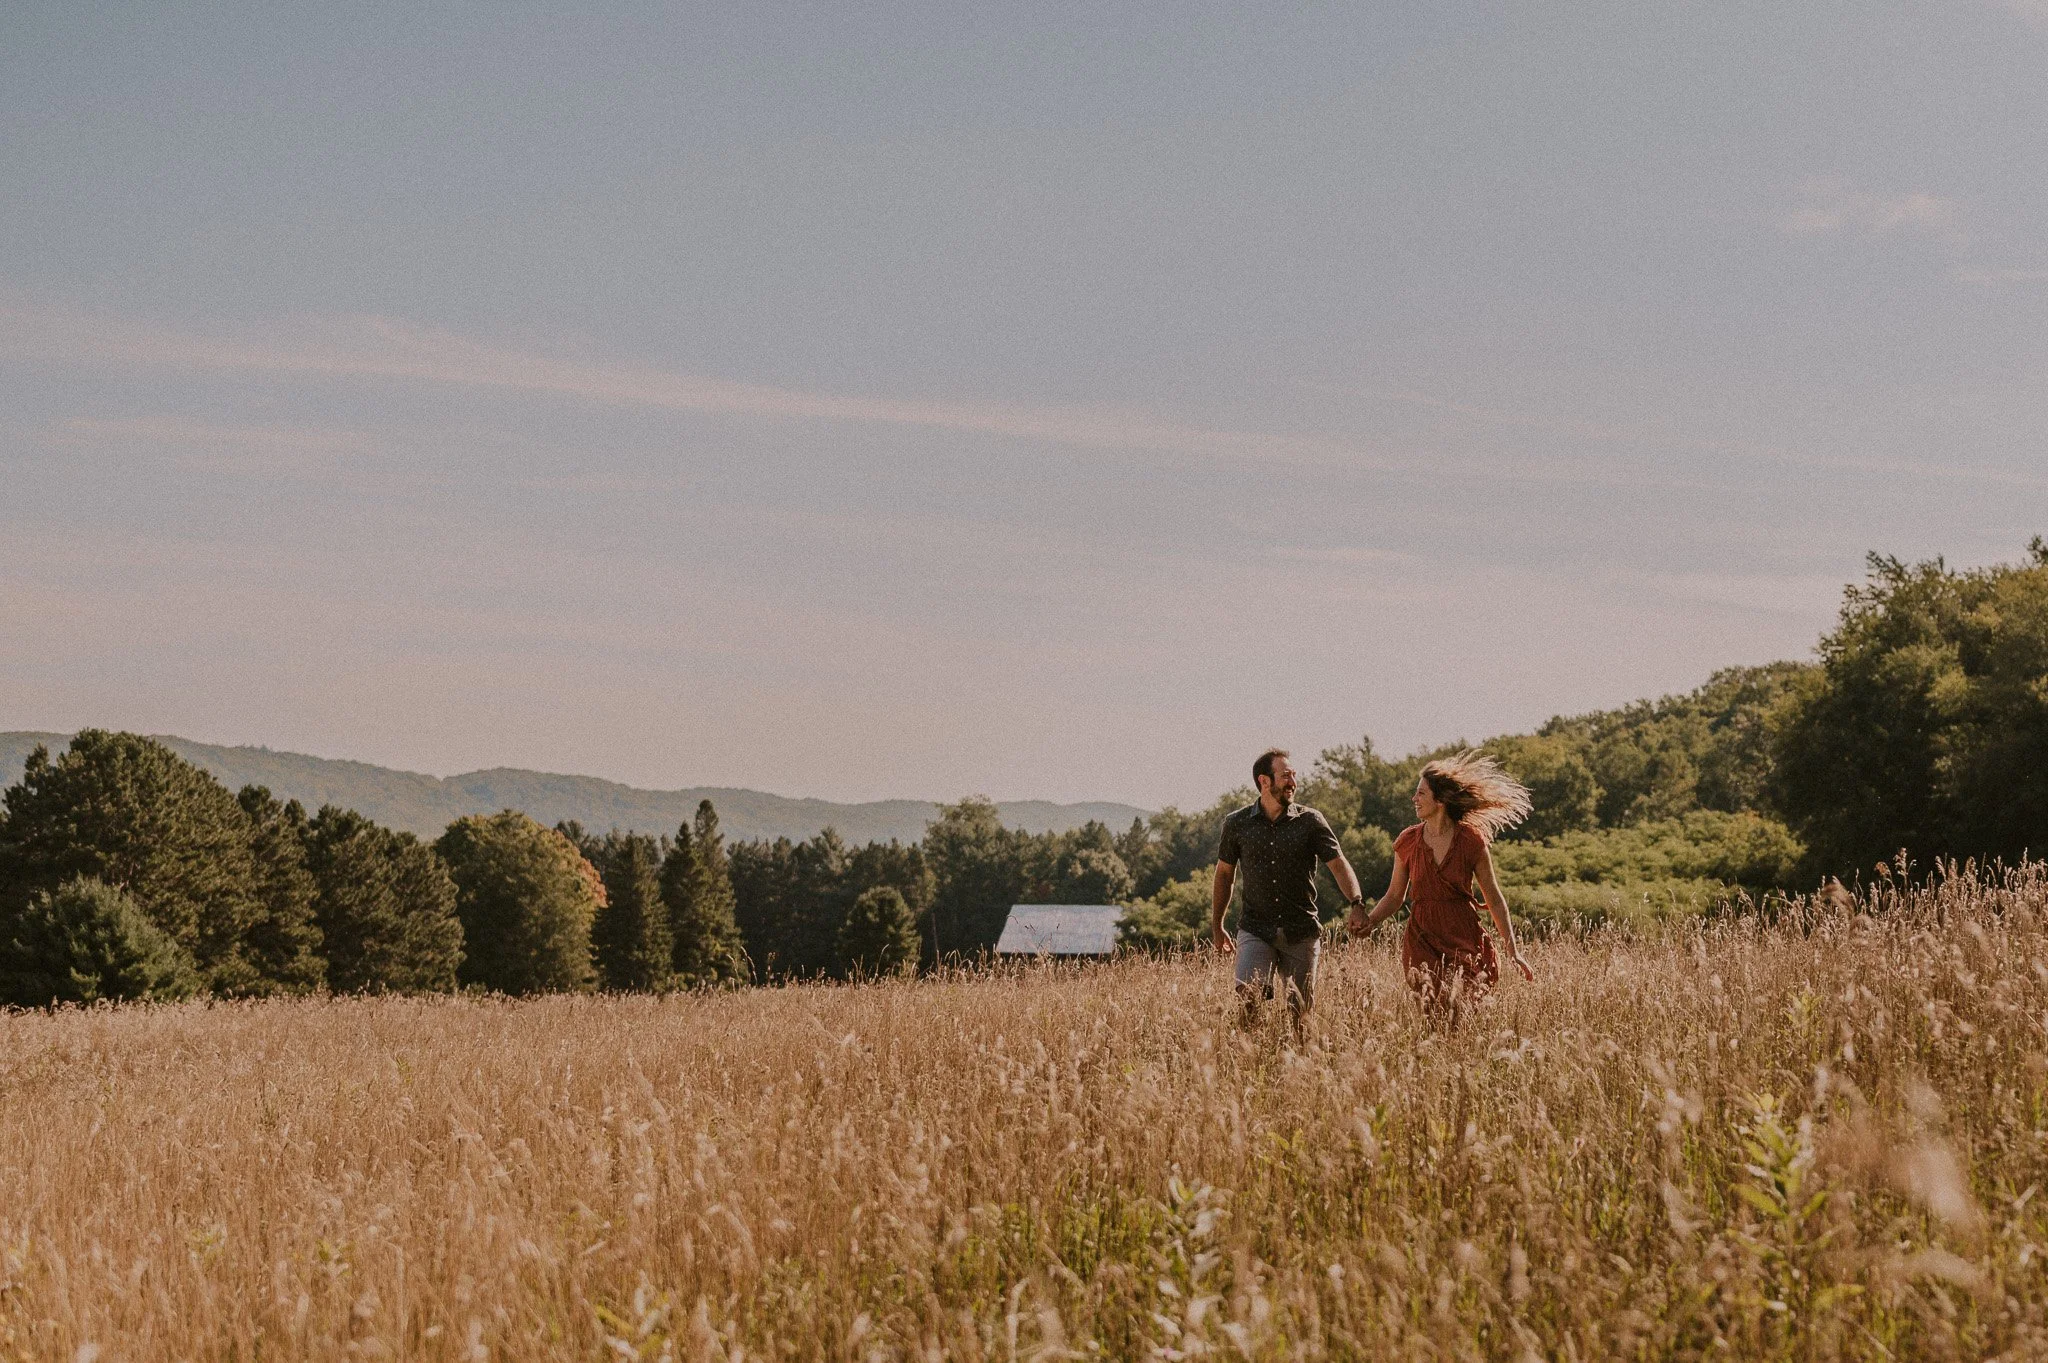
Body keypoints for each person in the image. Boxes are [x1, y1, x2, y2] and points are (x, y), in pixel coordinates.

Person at [1350, 750, 1533, 1021]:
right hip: (1422, 937)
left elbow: (1493, 898)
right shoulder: (1408, 841)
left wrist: (1513, 951)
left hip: (1462, 933)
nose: (1414, 799)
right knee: (1433, 1012)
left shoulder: (1471, 841)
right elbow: (1394, 896)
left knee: (1466, 1011)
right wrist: (1371, 922)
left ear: (1441, 800)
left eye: (1421, 793)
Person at [1211, 748, 1367, 1031]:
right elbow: (1224, 875)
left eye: (1294, 775)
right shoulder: (1237, 824)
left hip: (1301, 931)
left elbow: (1338, 863)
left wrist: (1357, 902)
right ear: (1264, 781)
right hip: (1256, 928)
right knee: (1249, 1000)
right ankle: (1249, 1063)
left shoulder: (1310, 821)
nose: (1293, 781)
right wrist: (1217, 924)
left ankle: (1299, 1066)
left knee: (1300, 1014)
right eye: (1285, 776)